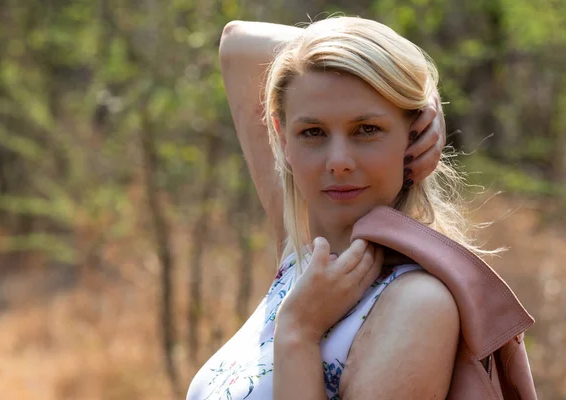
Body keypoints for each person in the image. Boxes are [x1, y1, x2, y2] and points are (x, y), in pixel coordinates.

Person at [187, 16, 461, 399]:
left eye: (367, 129)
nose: (338, 161)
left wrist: (298, 332)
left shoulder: (417, 304)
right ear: (284, 140)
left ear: (412, 134)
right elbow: (237, 44)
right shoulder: (300, 252)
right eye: (312, 132)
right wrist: (421, 88)